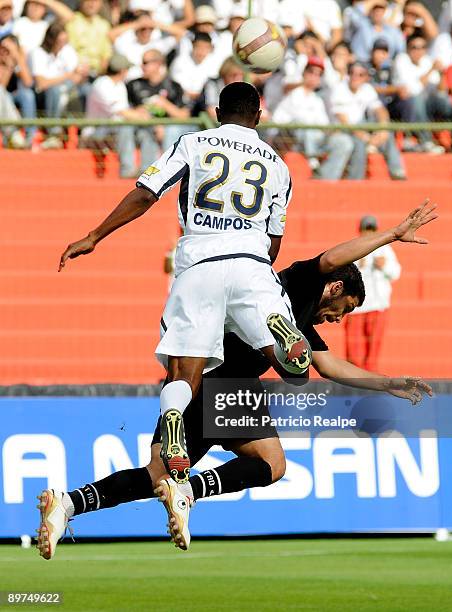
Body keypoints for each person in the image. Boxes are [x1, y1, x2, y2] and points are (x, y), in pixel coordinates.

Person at [37, 201, 437, 558]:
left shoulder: (296, 314)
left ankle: (68, 503)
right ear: (333, 288)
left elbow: (333, 368)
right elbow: (333, 258)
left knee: (157, 475)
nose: (336, 319)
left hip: (195, 376)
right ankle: (191, 490)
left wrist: (389, 383)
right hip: (233, 387)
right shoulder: (296, 282)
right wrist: (391, 235)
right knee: (272, 464)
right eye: (342, 309)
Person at [58, 81, 309, 488]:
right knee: (286, 360)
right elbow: (274, 240)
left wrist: (94, 236)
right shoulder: (278, 165)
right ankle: (279, 330)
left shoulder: (193, 143)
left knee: (183, 372)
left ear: (216, 112)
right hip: (251, 263)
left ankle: (174, 419)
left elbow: (146, 193)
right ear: (259, 116)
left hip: (199, 263)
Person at [273, 57, 355, 180]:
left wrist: (333, 132)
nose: (314, 76)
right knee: (302, 124)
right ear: (304, 73)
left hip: (313, 141)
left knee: (344, 141)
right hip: (289, 139)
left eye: (318, 74)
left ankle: (324, 179)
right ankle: (312, 161)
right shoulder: (292, 91)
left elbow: (323, 126)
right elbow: (286, 87)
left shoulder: (317, 100)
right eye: (311, 71)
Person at [330, 60, 407, 179]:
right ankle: (356, 181)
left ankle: (397, 173)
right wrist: (366, 138)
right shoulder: (339, 88)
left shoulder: (367, 88)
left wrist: (383, 128)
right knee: (358, 142)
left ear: (366, 77)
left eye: (360, 74)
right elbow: (343, 122)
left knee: (387, 135)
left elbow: (380, 110)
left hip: (360, 127)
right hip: (341, 131)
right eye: (352, 73)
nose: (355, 77)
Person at [345, 214, 401, 371]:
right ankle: (353, 380)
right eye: (366, 229)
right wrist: (358, 265)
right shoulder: (353, 247)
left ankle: (370, 380)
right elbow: (344, 273)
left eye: (372, 229)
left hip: (378, 305)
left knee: (373, 350)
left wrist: (384, 266)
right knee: (353, 349)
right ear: (360, 230)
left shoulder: (385, 249)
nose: (369, 233)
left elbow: (395, 273)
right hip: (356, 307)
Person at [83, 53, 150, 178]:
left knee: (146, 132)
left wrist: (141, 112)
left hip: (114, 130)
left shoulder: (120, 85)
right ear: (122, 71)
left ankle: (147, 172)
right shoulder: (101, 84)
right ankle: (127, 170)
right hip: (96, 132)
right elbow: (120, 112)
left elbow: (125, 111)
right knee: (126, 126)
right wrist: (142, 116)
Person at [126, 48, 189, 172]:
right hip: (142, 128)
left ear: (158, 63)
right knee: (147, 133)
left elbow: (184, 115)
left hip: (169, 131)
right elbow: (126, 112)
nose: (142, 66)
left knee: (171, 131)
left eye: (145, 62)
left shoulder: (173, 86)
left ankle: (169, 171)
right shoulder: (133, 85)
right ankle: (147, 175)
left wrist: (164, 104)